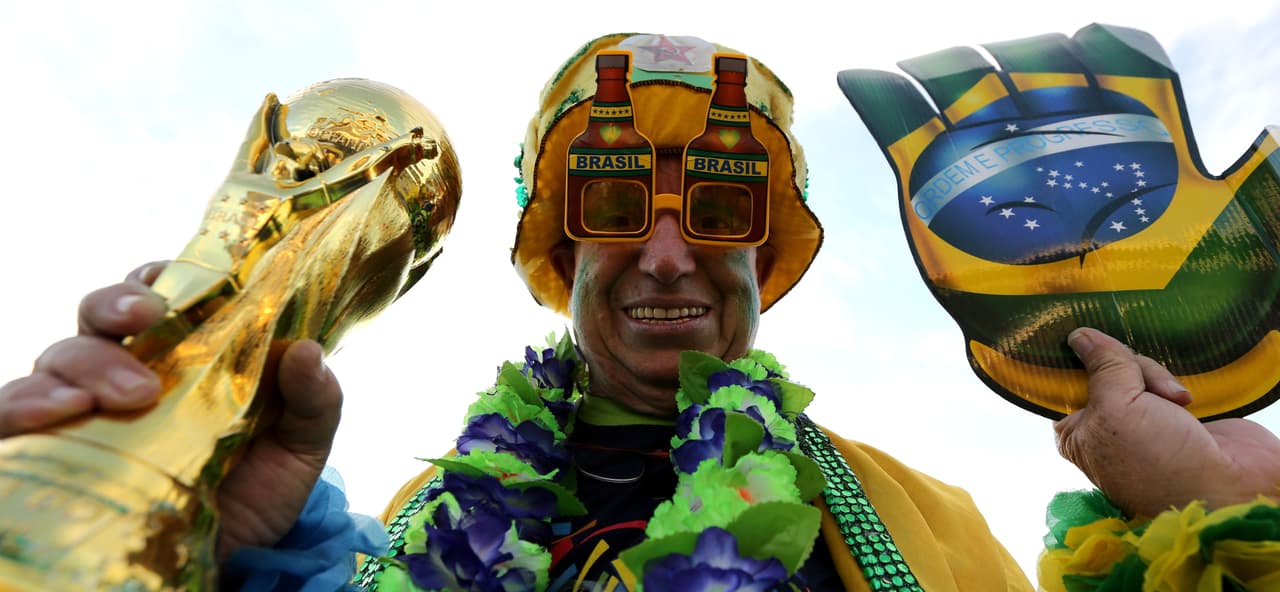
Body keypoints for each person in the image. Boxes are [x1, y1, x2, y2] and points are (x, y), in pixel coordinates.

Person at [3, 29, 1280, 592]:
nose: (667, 256)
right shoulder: (419, 525)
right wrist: (201, 547)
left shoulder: (921, 526)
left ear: (759, 261)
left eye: (717, 212)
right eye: (617, 202)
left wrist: (1208, 516)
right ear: (564, 252)